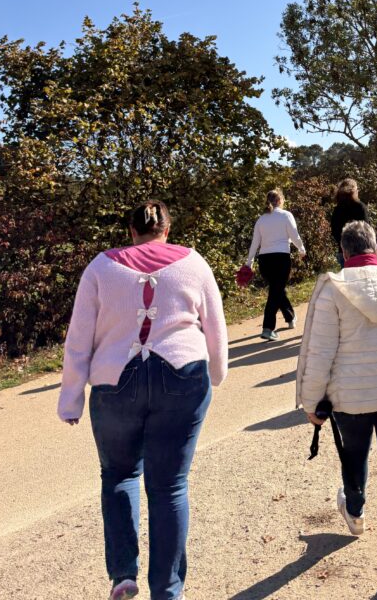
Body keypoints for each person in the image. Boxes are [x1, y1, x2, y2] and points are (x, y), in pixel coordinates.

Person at [57, 200, 229, 600]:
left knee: (119, 475)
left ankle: (123, 575)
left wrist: (71, 399)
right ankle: (167, 590)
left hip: (114, 384)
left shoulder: (101, 267)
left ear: (132, 232)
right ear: (166, 230)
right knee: (169, 486)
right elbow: (216, 327)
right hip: (183, 379)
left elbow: (78, 337)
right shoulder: (194, 263)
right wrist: (218, 373)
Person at [296, 220, 377, 598]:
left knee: (355, 455)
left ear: (344, 252)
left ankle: (354, 510)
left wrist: (311, 401)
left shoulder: (333, 288)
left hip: (352, 396)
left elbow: (320, 352)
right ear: (376, 247)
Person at [244, 189, 306, 341]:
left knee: (276, 289)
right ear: (280, 200)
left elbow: (255, 243)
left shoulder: (261, 220)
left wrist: (249, 262)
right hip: (281, 258)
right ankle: (267, 328)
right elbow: (294, 235)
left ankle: (290, 317)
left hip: (264, 261)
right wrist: (301, 249)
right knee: (275, 292)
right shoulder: (286, 215)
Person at [329, 178, 370, 267]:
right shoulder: (359, 206)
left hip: (344, 252)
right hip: (361, 251)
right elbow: (367, 229)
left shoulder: (337, 210)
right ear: (354, 191)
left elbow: (334, 231)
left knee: (348, 280)